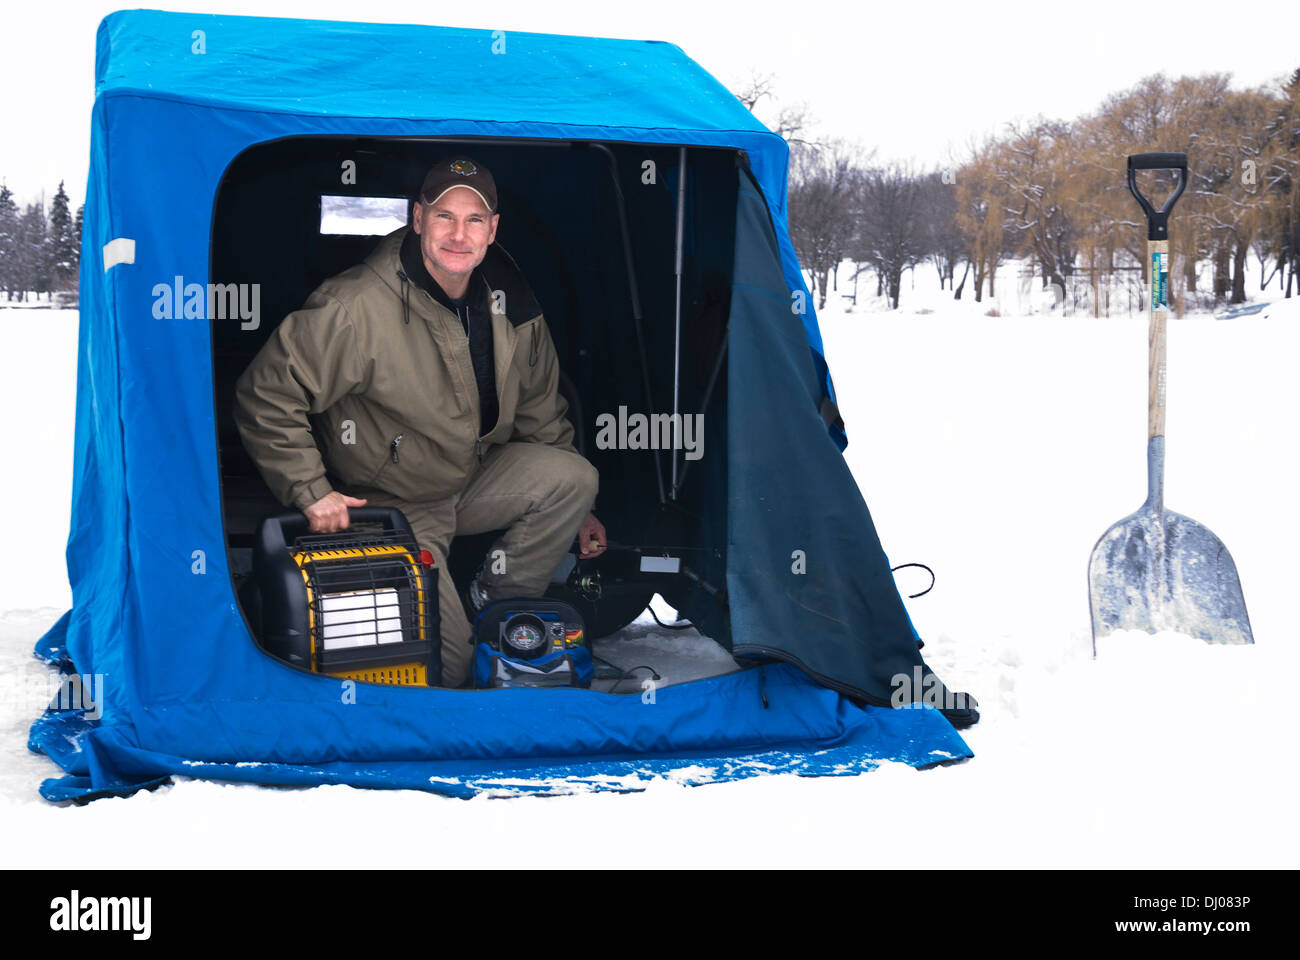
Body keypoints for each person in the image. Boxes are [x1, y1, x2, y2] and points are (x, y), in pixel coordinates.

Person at [234, 156, 605, 687]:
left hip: (473, 476)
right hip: (395, 500)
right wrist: (312, 490)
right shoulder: (356, 305)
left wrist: (580, 512)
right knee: (448, 672)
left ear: (493, 228)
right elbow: (266, 394)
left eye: (474, 220)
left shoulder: (513, 302)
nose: (459, 234)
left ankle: (494, 606)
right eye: (444, 216)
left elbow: (542, 410)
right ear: (417, 219)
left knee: (573, 478)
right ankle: (460, 636)